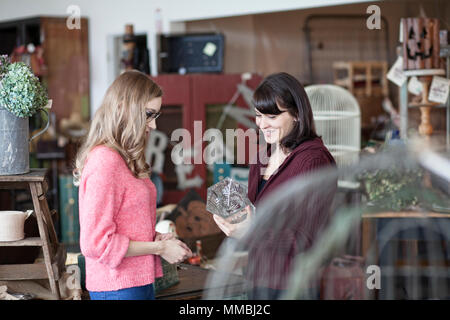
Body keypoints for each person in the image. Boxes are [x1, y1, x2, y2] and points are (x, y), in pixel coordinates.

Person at [213, 72, 337, 299]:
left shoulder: (313, 160)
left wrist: (251, 232)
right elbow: (256, 216)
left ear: (297, 115)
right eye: (259, 115)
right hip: (257, 277)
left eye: (272, 116)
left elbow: (308, 238)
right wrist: (235, 219)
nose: (262, 124)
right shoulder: (262, 158)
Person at [73, 70, 192, 300]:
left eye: (156, 115)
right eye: (149, 114)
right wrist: (159, 249)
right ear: (123, 107)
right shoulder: (105, 161)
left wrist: (156, 238)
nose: (154, 125)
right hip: (118, 288)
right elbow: (95, 243)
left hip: (135, 283)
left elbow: (125, 225)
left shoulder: (123, 158)